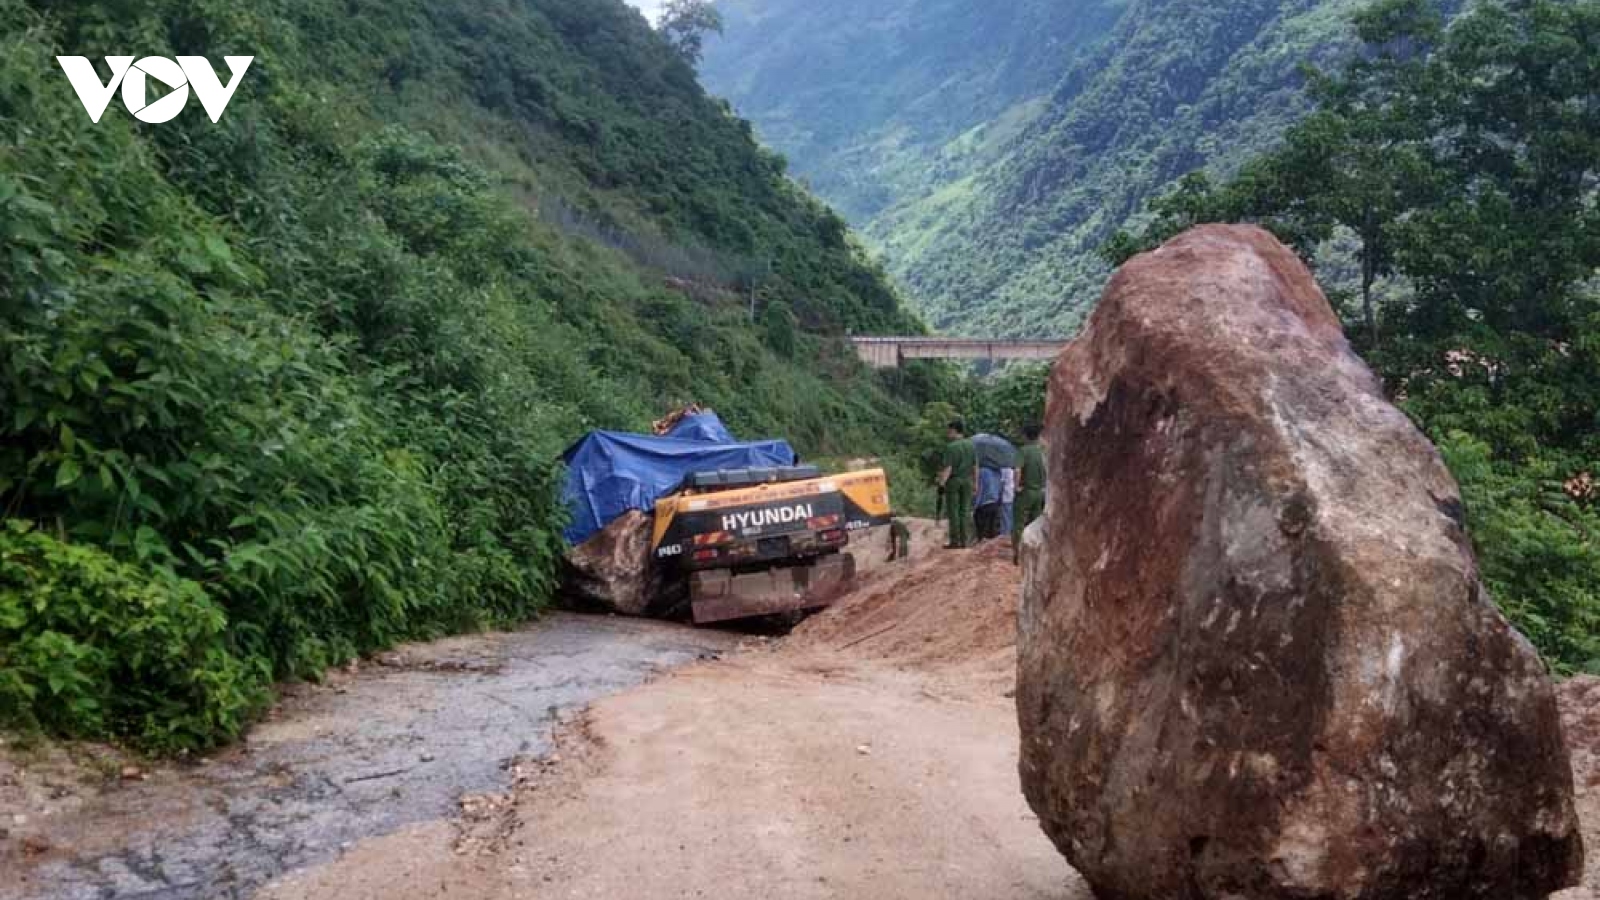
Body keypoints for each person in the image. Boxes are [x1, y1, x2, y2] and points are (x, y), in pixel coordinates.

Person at [937, 420, 977, 549]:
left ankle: (955, 541)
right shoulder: (971, 445)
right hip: (967, 480)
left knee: (953, 511)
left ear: (954, 430)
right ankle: (965, 541)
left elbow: (948, 468)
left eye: (949, 431)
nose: (948, 433)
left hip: (954, 481)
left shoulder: (951, 447)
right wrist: (976, 483)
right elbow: (975, 466)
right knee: (965, 510)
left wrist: (941, 484)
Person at [1013, 424, 1047, 564]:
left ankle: (1018, 554)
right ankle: (1036, 555)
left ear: (1025, 435)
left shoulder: (1023, 451)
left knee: (1019, 524)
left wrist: (1016, 487)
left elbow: (1017, 470)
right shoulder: (1042, 452)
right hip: (1040, 492)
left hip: (1026, 492)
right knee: (1036, 525)